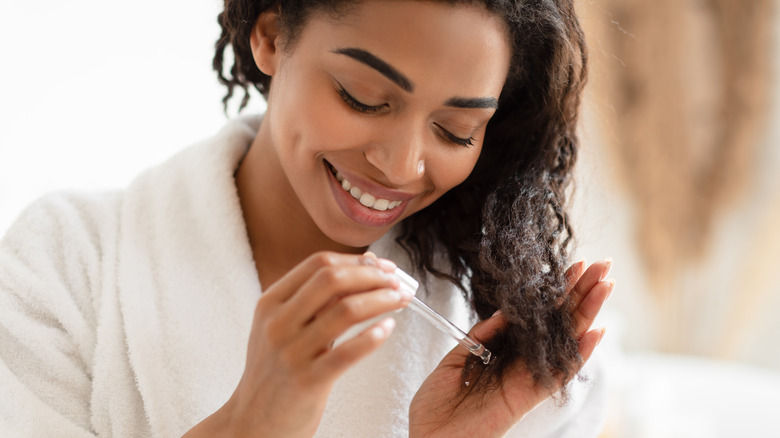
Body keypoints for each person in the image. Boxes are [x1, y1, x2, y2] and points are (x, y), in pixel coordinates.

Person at [0, 0, 613, 436]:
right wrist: (249, 424)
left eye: (456, 131)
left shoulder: (512, 333)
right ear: (269, 34)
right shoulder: (66, 262)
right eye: (362, 97)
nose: (400, 166)